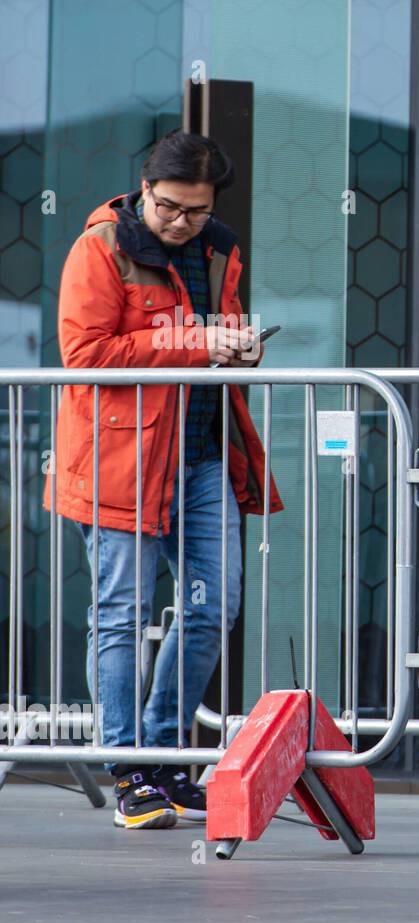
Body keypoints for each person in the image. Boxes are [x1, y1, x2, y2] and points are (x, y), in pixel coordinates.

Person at [46, 129, 281, 830]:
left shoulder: (220, 247)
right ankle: (129, 770)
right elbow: (83, 352)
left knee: (215, 604)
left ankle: (166, 757)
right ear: (143, 190)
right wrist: (198, 340)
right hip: (120, 460)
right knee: (120, 613)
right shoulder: (100, 247)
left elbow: (221, 333)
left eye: (197, 211)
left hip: (204, 454)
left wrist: (238, 350)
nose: (182, 222)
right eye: (172, 207)